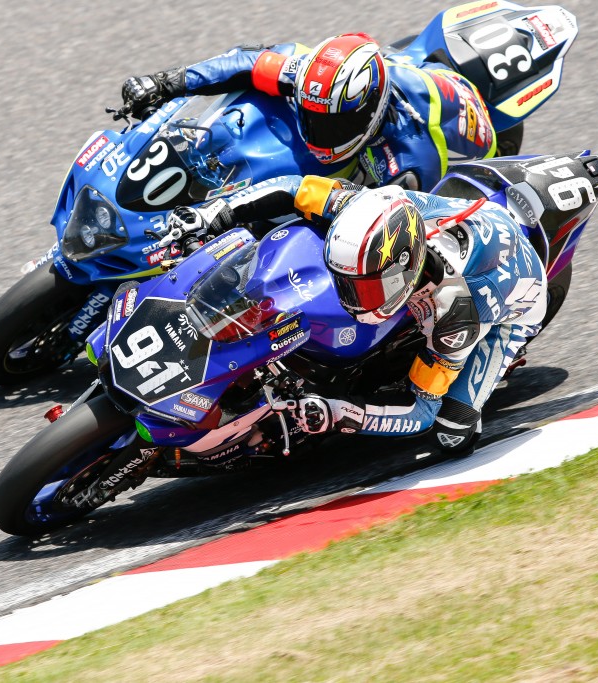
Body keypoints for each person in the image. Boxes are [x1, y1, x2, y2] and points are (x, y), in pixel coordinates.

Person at [165, 173, 546, 455]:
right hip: (460, 227)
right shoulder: (366, 207)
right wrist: (214, 213)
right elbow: (294, 188)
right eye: (348, 283)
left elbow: (421, 412)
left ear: (403, 271)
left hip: (512, 301)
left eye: (364, 287)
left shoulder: (456, 314)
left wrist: (340, 413)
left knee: (452, 432)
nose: (352, 298)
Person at [121, 34, 498, 192]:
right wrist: (164, 82)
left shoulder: (410, 160)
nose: (319, 130)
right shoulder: (310, 79)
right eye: (312, 114)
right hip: (392, 73)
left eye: (333, 123)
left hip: (457, 131)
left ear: (370, 113)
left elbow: (408, 234)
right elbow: (244, 62)